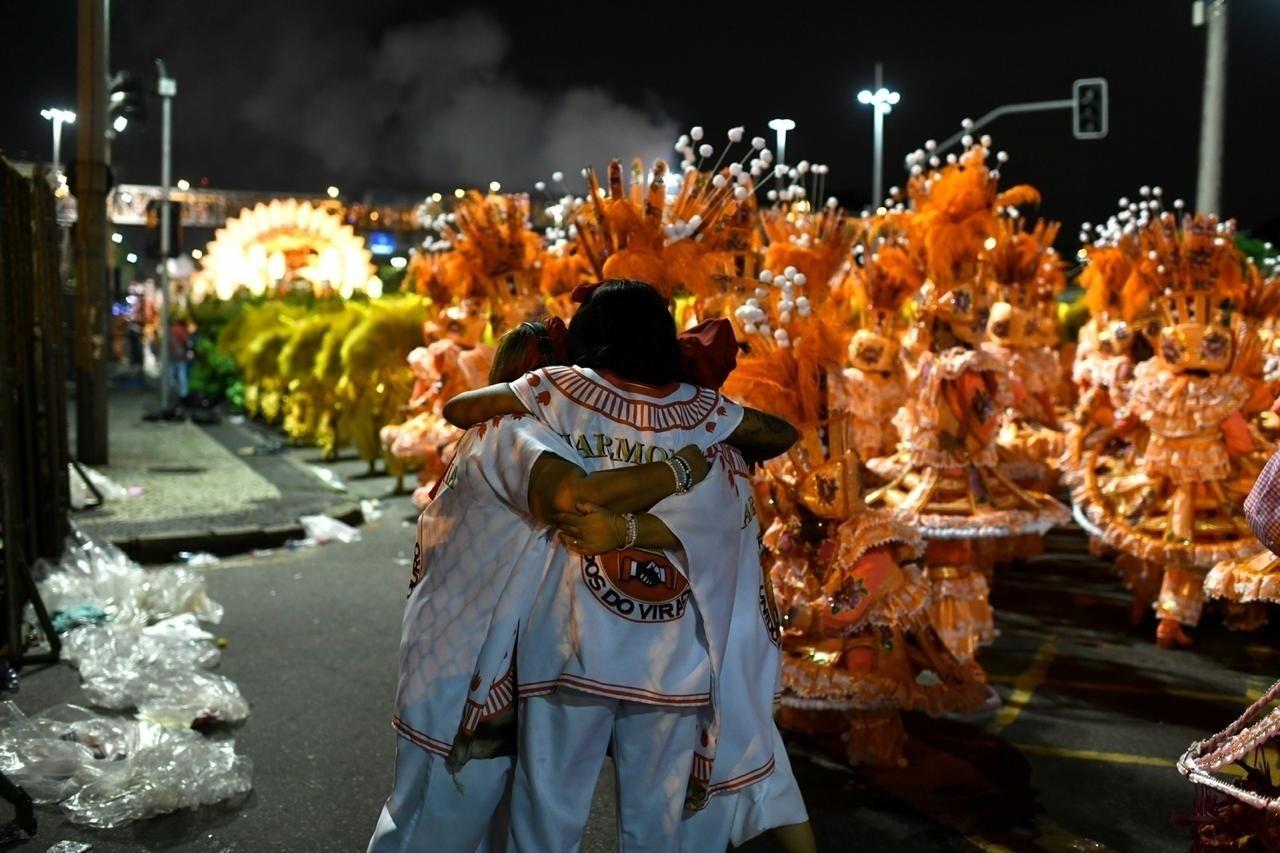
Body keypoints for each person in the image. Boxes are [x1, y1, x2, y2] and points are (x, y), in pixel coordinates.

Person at [445, 280, 807, 852]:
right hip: (672, 653)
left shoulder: (558, 389)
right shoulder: (705, 411)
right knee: (655, 831)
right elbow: (780, 434)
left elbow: (460, 410)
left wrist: (535, 387)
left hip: (568, 638)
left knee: (546, 817)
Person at [369, 319, 724, 853]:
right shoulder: (515, 433)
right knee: (437, 827)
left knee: (465, 822)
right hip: (466, 669)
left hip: (465, 657)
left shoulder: (495, 430)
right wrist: (680, 470)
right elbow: (572, 498)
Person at [168, 313, 192, 402]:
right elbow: (187, 341)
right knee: (182, 374)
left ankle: (172, 392)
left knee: (172, 375)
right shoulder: (182, 330)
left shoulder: (171, 330)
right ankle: (183, 394)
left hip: (172, 355)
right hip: (181, 355)